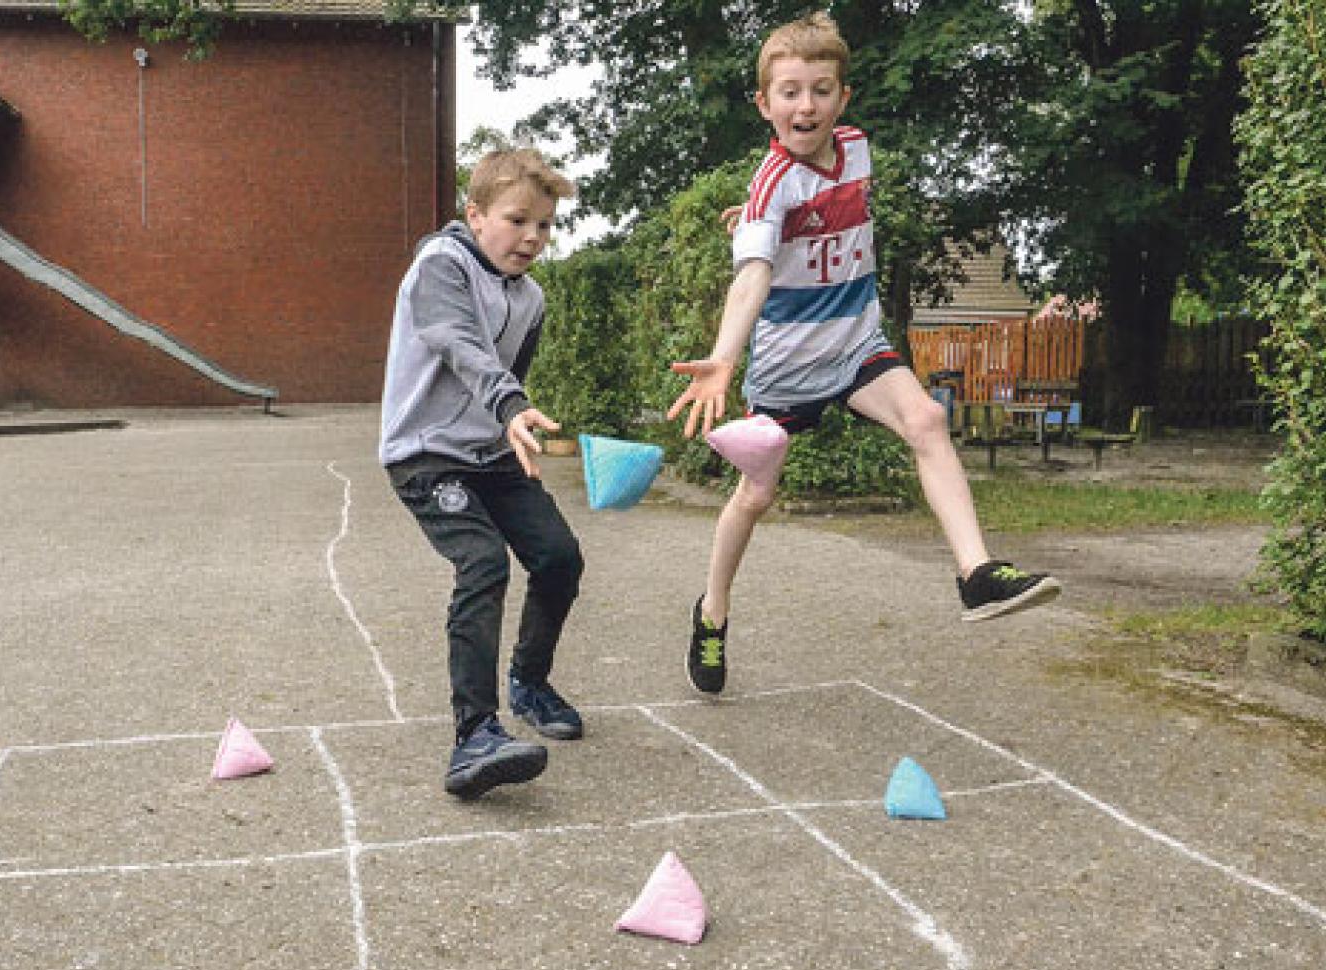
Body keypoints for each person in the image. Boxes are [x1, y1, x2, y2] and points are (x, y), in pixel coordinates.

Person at [667, 14, 1060, 695]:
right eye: (790, 92)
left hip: (856, 344)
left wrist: (774, 220)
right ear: (764, 104)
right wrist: (725, 356)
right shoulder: (770, 185)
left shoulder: (857, 149)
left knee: (927, 421)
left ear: (842, 99)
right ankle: (712, 612)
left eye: (821, 90)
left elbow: (817, 208)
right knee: (755, 496)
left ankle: (976, 574)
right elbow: (752, 276)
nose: (806, 105)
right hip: (788, 368)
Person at [379, 147, 587, 799]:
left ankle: (529, 681)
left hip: (491, 451)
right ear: (475, 215)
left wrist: (513, 423)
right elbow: (459, 343)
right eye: (516, 220)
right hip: (425, 452)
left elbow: (508, 370)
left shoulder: (532, 298)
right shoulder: (441, 265)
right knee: (483, 563)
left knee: (558, 557)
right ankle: (474, 733)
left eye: (545, 225)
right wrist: (509, 406)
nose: (532, 236)